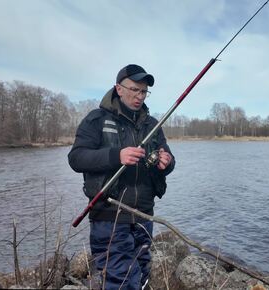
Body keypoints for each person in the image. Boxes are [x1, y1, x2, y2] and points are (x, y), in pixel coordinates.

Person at [68, 64, 175, 290]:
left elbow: (169, 158)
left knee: (142, 271)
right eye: (134, 89)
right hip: (109, 216)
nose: (139, 96)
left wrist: (166, 162)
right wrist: (116, 156)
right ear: (119, 88)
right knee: (119, 279)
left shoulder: (152, 124)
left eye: (144, 91)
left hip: (144, 215)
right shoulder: (96, 119)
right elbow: (76, 158)